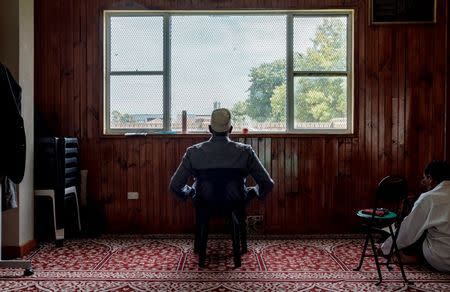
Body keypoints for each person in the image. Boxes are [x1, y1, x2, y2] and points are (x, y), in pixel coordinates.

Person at [169, 108, 274, 257]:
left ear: (210, 128)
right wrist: (251, 193)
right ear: (230, 129)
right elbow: (267, 183)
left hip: (203, 202)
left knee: (197, 193)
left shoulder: (193, 152)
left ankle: (199, 246)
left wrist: (191, 193)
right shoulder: (245, 152)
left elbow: (175, 185)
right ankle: (241, 246)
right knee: (244, 194)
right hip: (236, 202)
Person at [380, 160, 450, 272]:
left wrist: (385, 248)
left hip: (441, 259)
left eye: (425, 178)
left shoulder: (429, 198)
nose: (424, 182)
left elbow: (408, 231)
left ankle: (413, 257)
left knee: (418, 227)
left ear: (430, 178)